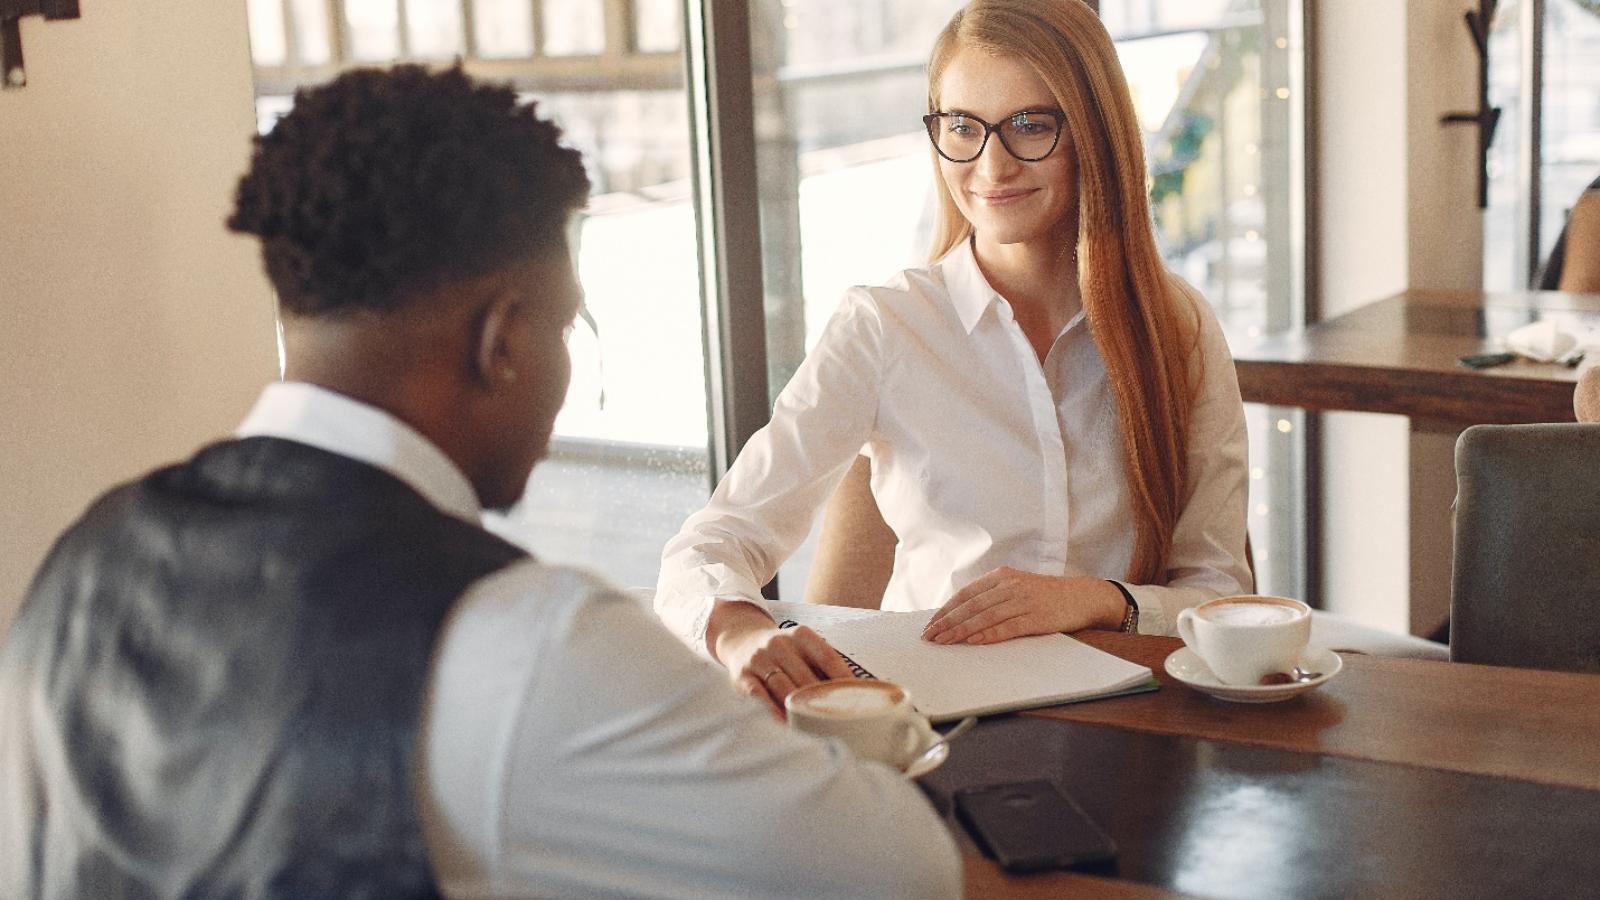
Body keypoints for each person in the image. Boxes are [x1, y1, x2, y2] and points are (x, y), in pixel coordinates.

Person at [0, 66, 959, 898]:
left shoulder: (81, 560)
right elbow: (899, 871)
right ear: (502, 341)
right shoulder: (529, 642)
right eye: (570, 327)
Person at [655, 0, 1251, 714]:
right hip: (931, 721)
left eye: (1031, 125)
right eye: (962, 127)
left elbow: (1222, 594)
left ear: (1092, 133)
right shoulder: (885, 327)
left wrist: (1091, 601)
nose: (991, 165)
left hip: (1135, 721)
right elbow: (709, 546)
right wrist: (743, 634)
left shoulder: (1177, 328)